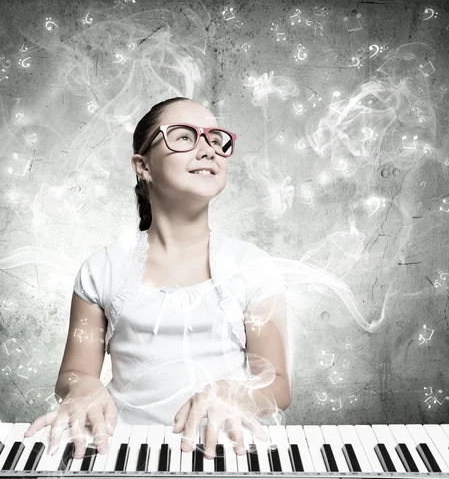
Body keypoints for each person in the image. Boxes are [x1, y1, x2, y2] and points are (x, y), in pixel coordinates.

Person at [23, 97, 293, 463]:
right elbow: (72, 374)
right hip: (125, 458)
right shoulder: (100, 270)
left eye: (216, 139)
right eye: (183, 137)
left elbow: (277, 386)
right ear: (143, 166)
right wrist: (82, 385)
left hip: (227, 458)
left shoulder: (253, 267)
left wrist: (232, 393)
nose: (207, 149)